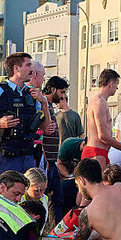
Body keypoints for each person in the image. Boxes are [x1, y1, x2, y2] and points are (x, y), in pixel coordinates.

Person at [0, 52, 51, 188]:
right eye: (28, 65)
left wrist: (44, 104)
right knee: (4, 193)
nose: (31, 69)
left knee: (28, 195)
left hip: (28, 156)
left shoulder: (31, 94)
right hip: (6, 156)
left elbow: (45, 127)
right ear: (16, 68)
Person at [84, 69, 121, 170]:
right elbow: (102, 135)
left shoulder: (100, 101)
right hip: (96, 152)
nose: (117, 87)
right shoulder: (99, 102)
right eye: (117, 84)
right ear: (111, 84)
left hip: (100, 152)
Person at [40, 75, 68, 205]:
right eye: (61, 92)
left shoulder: (49, 106)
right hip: (46, 159)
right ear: (52, 90)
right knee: (49, 197)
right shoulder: (43, 104)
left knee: (56, 198)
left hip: (51, 160)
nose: (63, 96)